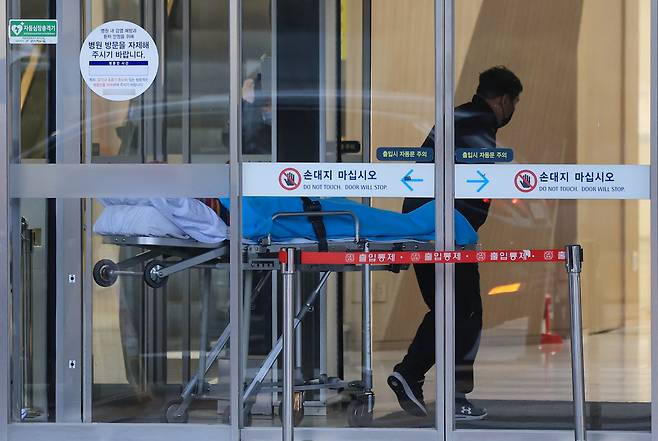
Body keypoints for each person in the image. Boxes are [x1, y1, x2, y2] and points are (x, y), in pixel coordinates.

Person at [387, 66, 523, 420]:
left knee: (450, 309)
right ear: (504, 100)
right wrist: (466, 231)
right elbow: (473, 185)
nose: (512, 111)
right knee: (466, 313)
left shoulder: (459, 116)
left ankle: (409, 374)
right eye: (514, 104)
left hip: (425, 225)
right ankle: (449, 394)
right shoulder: (478, 125)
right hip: (444, 231)